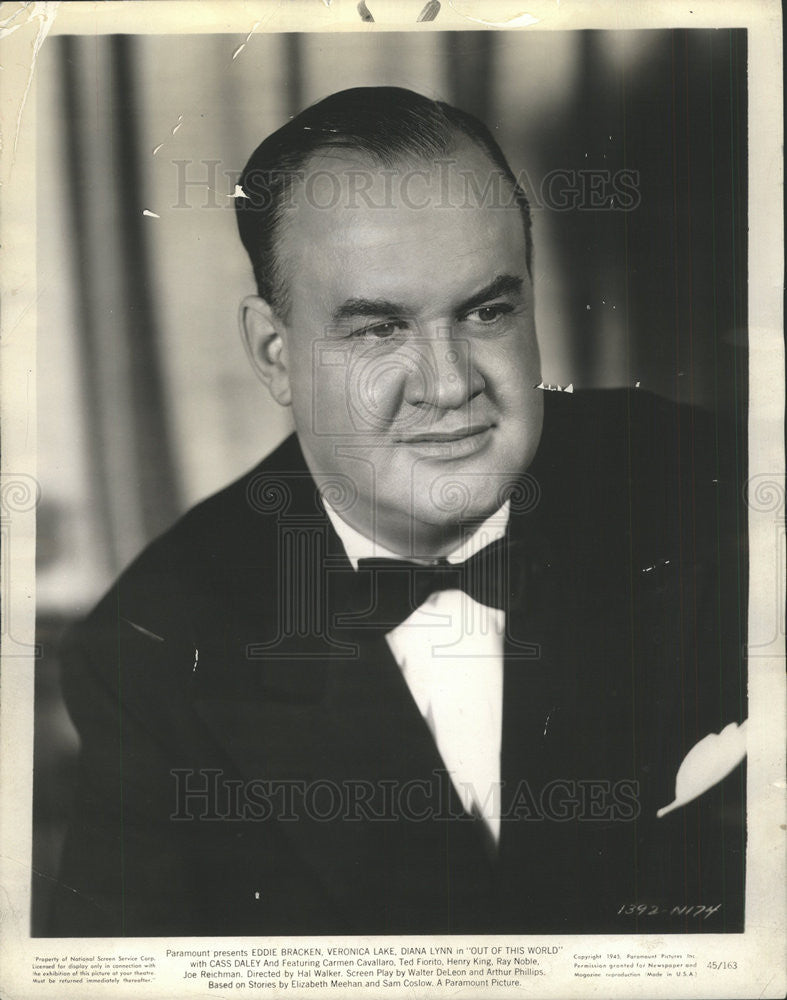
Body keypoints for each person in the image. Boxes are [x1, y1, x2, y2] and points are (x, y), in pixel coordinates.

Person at [47, 87, 746, 937]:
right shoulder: (152, 646)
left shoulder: (711, 482)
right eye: (378, 331)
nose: (450, 385)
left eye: (488, 311)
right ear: (276, 354)